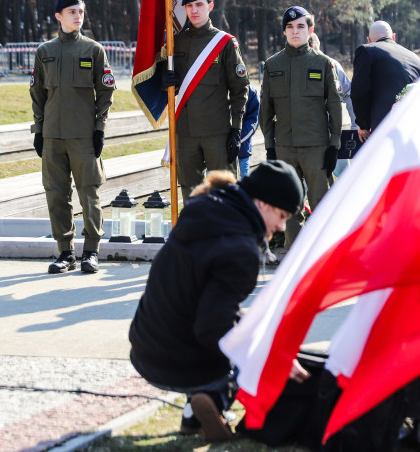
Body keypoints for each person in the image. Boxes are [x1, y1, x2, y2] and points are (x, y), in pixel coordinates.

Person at [129, 161, 307, 443]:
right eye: (282, 215)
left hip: (144, 347)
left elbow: (209, 306)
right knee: (252, 343)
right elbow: (213, 328)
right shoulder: (241, 249)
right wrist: (271, 354)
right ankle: (214, 397)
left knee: (242, 325)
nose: (282, 226)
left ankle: (193, 415)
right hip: (177, 364)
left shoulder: (205, 209)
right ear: (263, 203)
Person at [30, 0, 115, 274]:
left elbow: (106, 92)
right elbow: (37, 94)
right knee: (56, 195)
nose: (78, 16)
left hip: (83, 136)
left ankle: (91, 251)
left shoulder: (93, 50)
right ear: (59, 16)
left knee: (88, 194)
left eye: (80, 11)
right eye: (72, 12)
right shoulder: (45, 52)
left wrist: (100, 128)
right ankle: (65, 252)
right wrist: (39, 130)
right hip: (53, 136)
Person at [260, 6, 342, 248]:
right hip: (285, 148)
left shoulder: (323, 63)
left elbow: (334, 106)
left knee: (321, 205)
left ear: (310, 30)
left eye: (300, 26)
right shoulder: (273, 64)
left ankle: (321, 255)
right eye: (290, 27)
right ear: (284, 31)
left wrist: (334, 145)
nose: (295, 31)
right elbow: (266, 109)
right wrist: (270, 146)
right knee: (289, 207)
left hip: (317, 148)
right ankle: (294, 255)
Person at [165, 0, 249, 201]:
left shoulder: (225, 43)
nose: (194, 10)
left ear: (210, 6)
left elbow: (240, 89)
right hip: (185, 133)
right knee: (190, 193)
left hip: (217, 133)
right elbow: (169, 86)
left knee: (225, 194)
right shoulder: (176, 43)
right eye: (189, 6)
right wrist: (164, 81)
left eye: (199, 5)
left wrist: (236, 129)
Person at [351, 20, 420, 140]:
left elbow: (359, 91)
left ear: (369, 40)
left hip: (384, 126)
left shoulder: (366, 51)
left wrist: (363, 124)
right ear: (393, 37)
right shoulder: (415, 58)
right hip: (412, 126)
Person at [308, 32, 356, 176]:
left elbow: (349, 94)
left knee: (343, 174)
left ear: (318, 46)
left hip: (332, 131)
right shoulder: (295, 67)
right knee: (307, 177)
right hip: (306, 132)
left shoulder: (333, 65)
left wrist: (355, 125)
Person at [238, 85, 260, 177]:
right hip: (219, 152)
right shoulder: (220, 88)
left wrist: (238, 139)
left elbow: (254, 120)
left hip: (242, 151)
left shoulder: (251, 92)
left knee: (244, 182)